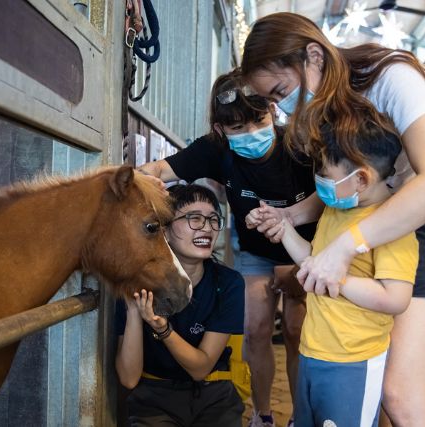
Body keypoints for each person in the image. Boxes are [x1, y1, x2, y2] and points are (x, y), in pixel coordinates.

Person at [240, 12, 425, 426]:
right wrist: (289, 216)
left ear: (313, 56)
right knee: (377, 383)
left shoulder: (389, 78)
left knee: (402, 394)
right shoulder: (329, 109)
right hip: (378, 225)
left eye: (280, 91)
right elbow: (349, 190)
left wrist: (345, 245)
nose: (279, 110)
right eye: (270, 101)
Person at [139, 69, 321, 427]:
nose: (252, 133)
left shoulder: (299, 146)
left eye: (258, 120)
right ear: (221, 130)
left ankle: (301, 415)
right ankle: (263, 413)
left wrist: (286, 223)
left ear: (273, 110)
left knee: (299, 330)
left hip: (307, 245)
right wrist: (141, 179)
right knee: (255, 328)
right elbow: (158, 169)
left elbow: (326, 197)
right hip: (255, 250)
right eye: (238, 128)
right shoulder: (215, 150)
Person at [272, 123, 418, 426]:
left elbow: (396, 298)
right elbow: (315, 263)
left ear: (361, 179)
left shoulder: (392, 225)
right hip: (312, 353)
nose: (318, 180)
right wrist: (283, 227)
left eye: (325, 174)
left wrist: (339, 280)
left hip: (354, 362)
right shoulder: (335, 211)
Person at [115, 184, 245, 427]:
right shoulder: (138, 282)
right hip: (153, 399)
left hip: (214, 395)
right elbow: (129, 378)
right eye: (193, 218)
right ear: (164, 229)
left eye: (213, 219)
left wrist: (162, 329)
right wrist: (134, 311)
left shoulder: (228, 283)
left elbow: (201, 368)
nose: (206, 227)